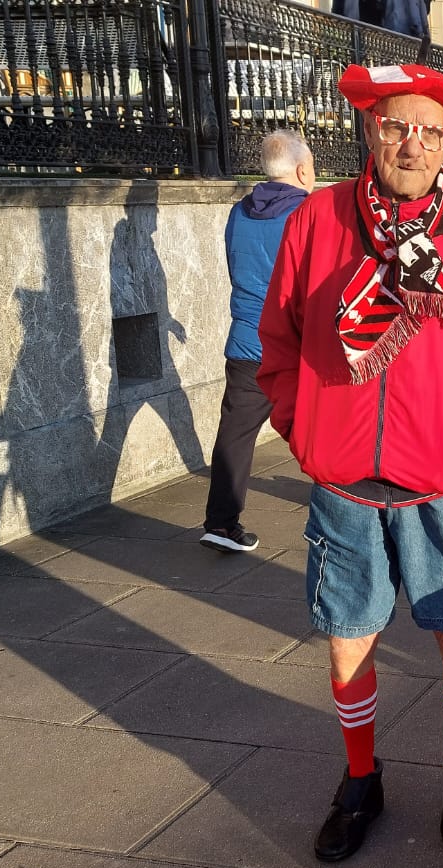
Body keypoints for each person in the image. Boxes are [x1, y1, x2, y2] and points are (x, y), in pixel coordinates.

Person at [257, 63, 443, 863]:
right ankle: (361, 778)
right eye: (396, 126)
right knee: (348, 637)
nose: (411, 143)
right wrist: (302, 427)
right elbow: (278, 340)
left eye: (430, 130)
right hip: (345, 483)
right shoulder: (318, 222)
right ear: (369, 129)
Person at [199, 130, 315, 554]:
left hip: (247, 340)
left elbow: (236, 267)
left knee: (236, 431)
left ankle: (220, 523)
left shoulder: (238, 213)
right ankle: (337, 500)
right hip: (297, 345)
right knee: (320, 422)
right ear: (303, 170)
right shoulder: (310, 213)